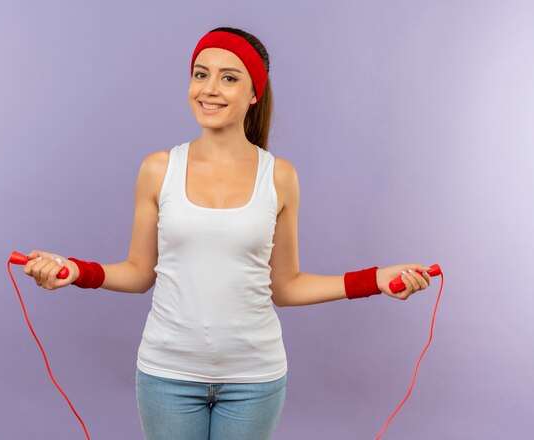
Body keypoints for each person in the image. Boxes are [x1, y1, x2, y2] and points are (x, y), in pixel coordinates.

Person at [23, 26, 432, 440]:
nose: (209, 89)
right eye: (200, 74)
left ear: (254, 93)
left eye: (229, 77)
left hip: (254, 379)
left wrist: (374, 280)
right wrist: (76, 270)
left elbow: (286, 287)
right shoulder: (158, 169)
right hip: (167, 374)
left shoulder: (280, 177)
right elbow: (138, 272)